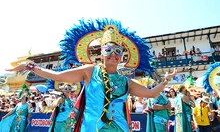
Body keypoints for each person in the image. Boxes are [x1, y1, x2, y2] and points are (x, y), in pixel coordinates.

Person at [6, 19, 177, 132]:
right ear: (101, 53)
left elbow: (152, 93)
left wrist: (165, 80)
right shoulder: (89, 71)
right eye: (108, 50)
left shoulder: (126, 82)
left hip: (119, 128)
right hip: (91, 127)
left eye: (118, 51)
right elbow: (57, 76)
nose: (113, 54)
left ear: (122, 56)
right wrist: (30, 66)